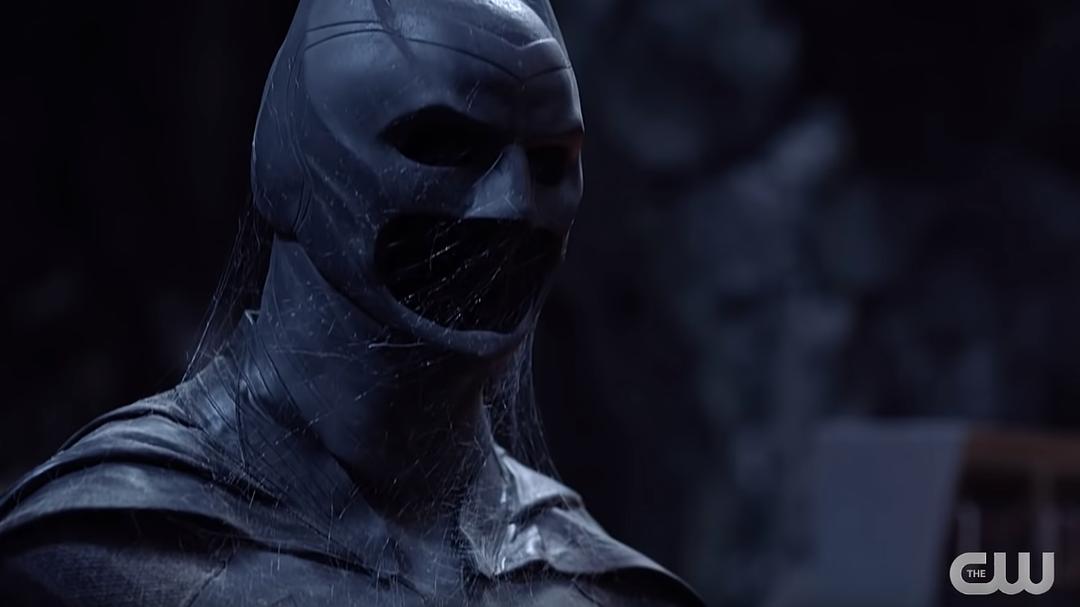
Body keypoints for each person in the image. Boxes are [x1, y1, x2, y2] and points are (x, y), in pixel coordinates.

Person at [0, 1, 702, 605]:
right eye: (445, 144)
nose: (517, 207)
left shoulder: (599, 587)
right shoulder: (92, 556)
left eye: (549, 163)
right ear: (295, 163)